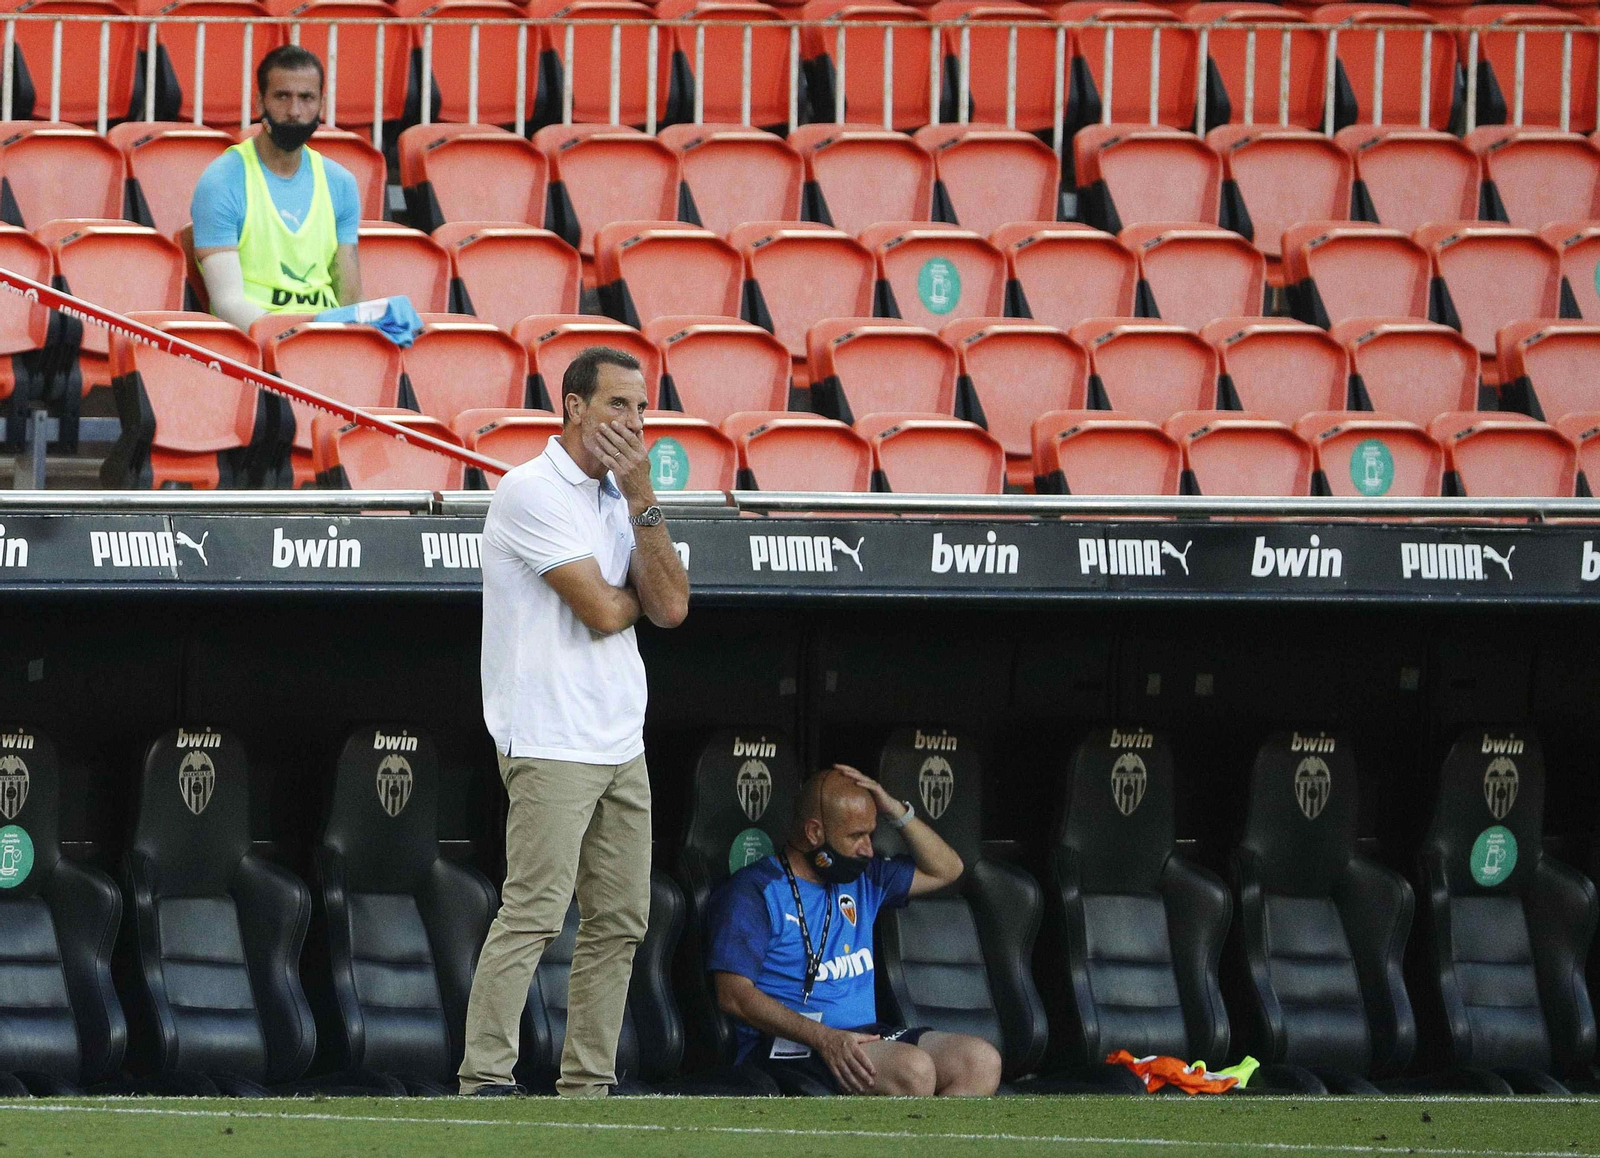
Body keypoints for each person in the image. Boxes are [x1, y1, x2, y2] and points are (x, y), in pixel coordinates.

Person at [460, 346, 690, 1097]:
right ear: (574, 406)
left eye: (642, 409)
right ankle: (486, 1078)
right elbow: (604, 611)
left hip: (622, 738)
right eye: (618, 405)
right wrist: (633, 595)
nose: (632, 422)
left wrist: (643, 495)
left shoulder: (624, 497)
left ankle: (587, 1082)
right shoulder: (530, 490)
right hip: (549, 736)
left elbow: (673, 607)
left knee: (621, 920)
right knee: (533, 913)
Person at [708, 764, 1003, 1096]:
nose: (868, 849)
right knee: (912, 1069)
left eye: (870, 834)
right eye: (855, 836)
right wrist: (825, 1038)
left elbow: (948, 869)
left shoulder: (865, 877)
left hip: (866, 1036)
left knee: (979, 1062)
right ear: (814, 833)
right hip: (790, 1045)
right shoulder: (755, 890)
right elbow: (733, 995)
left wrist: (894, 808)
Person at [190, 45, 362, 331]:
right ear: (260, 102)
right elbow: (227, 302)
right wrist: (291, 341)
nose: (294, 111)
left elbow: (350, 299)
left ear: (322, 103)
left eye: (306, 98)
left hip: (330, 343)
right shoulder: (221, 181)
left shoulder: (341, 183)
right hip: (255, 347)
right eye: (282, 96)